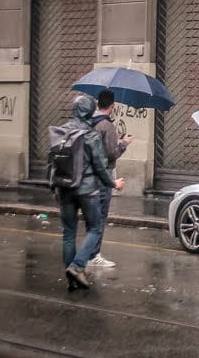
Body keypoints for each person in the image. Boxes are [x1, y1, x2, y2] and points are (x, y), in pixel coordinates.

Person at [58, 96, 124, 290]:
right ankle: (77, 266)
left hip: (65, 187)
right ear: (89, 111)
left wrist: (55, 187)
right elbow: (100, 166)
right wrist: (112, 183)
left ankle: (72, 275)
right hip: (86, 189)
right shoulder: (90, 134)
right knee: (95, 228)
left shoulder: (62, 131)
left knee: (69, 233)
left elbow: (53, 160)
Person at [87, 90, 134, 268]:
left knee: (93, 216)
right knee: (100, 216)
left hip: (90, 174)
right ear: (112, 107)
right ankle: (93, 255)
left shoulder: (90, 121)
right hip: (103, 175)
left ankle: (90, 253)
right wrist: (124, 143)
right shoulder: (106, 125)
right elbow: (111, 153)